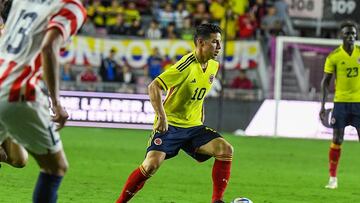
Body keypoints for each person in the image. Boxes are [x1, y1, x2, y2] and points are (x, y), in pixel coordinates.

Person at [115, 23, 233, 203]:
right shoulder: (185, 65)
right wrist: (161, 117)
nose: (219, 47)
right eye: (214, 42)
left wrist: (200, 113)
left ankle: (217, 200)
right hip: (170, 126)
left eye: (219, 42)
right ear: (201, 43)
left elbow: (197, 94)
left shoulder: (213, 67)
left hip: (194, 127)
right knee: (151, 165)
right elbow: (154, 86)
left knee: (225, 149)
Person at [0, 1, 86, 203]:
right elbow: (48, 47)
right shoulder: (72, 6)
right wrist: (56, 102)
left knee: (17, 159)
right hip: (17, 91)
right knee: (55, 167)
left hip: (5, 80)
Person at [319, 21, 360, 190]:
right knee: (337, 139)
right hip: (341, 103)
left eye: (353, 34)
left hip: (359, 103)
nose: (351, 37)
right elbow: (325, 82)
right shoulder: (334, 56)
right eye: (347, 34)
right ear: (341, 36)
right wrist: (322, 106)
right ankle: (333, 178)